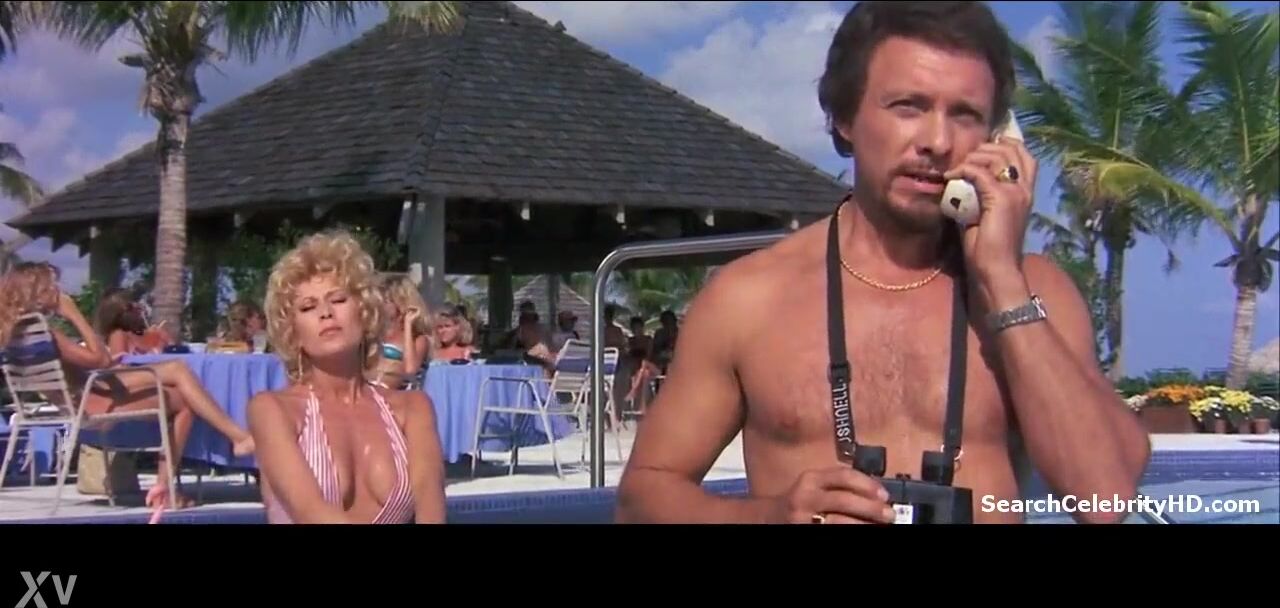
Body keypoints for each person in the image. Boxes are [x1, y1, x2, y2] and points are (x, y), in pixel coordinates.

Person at [616, 1, 1149, 524]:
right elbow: (641, 499)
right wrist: (770, 517)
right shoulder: (749, 299)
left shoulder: (1035, 293)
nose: (938, 142)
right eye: (908, 107)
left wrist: (1001, 280)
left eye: (965, 115)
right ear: (844, 117)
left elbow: (1106, 500)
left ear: (997, 137)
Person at [0, 263, 254, 509]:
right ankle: (172, 485)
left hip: (84, 394)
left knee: (177, 370)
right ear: (35, 294)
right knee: (183, 402)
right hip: (91, 402)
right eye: (51, 288)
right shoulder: (47, 334)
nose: (59, 292)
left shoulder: (16, 333)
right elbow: (100, 359)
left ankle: (234, 440)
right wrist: (73, 313)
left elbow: (93, 365)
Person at [247, 230, 446, 524]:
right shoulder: (273, 410)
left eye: (338, 299)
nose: (326, 313)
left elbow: (432, 512)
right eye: (308, 307)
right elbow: (310, 512)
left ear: (364, 313)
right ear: (293, 332)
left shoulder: (413, 408)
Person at [375, 275, 431, 389]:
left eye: (386, 301)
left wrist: (408, 324)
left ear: (401, 304)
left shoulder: (419, 339)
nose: (380, 305)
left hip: (403, 395)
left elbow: (410, 370)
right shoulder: (376, 333)